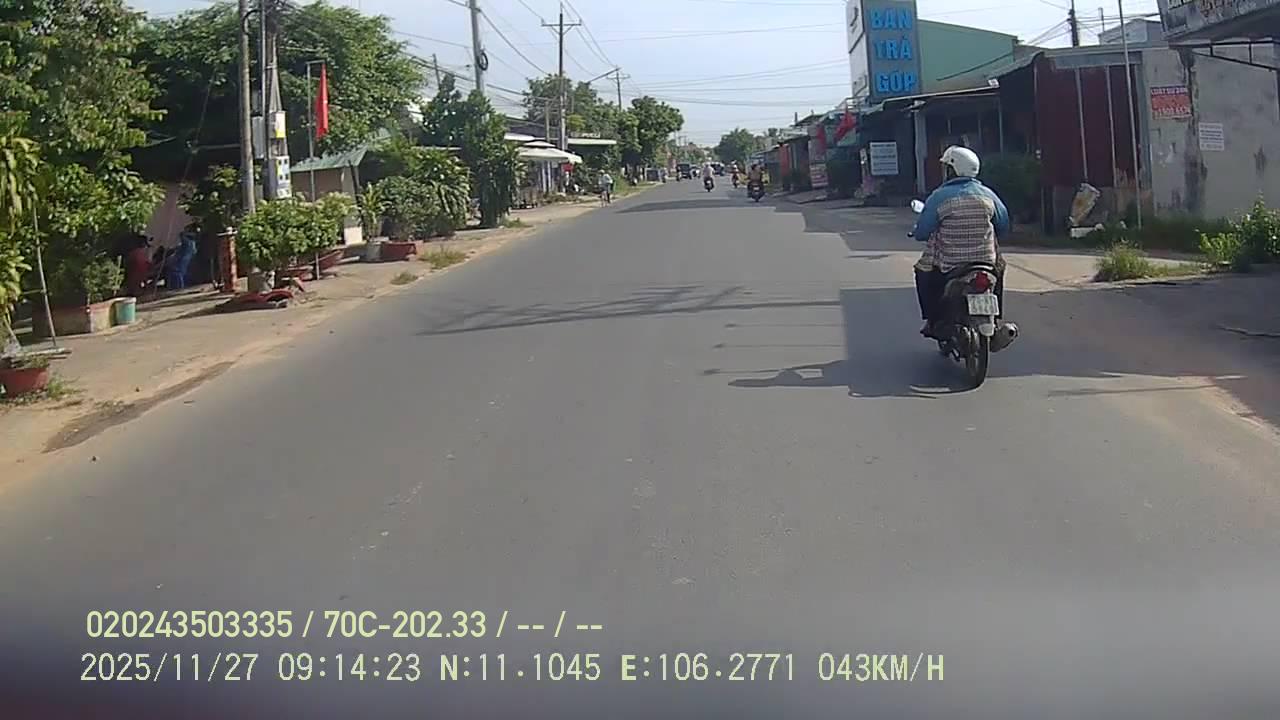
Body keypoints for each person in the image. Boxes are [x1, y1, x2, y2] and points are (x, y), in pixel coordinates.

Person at [911, 146, 1010, 338]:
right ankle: (996, 319)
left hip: (951, 264)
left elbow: (922, 232)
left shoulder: (939, 196)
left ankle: (933, 320)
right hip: (986, 262)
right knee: (1000, 269)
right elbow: (1003, 226)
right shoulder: (988, 195)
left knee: (923, 272)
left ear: (952, 170)